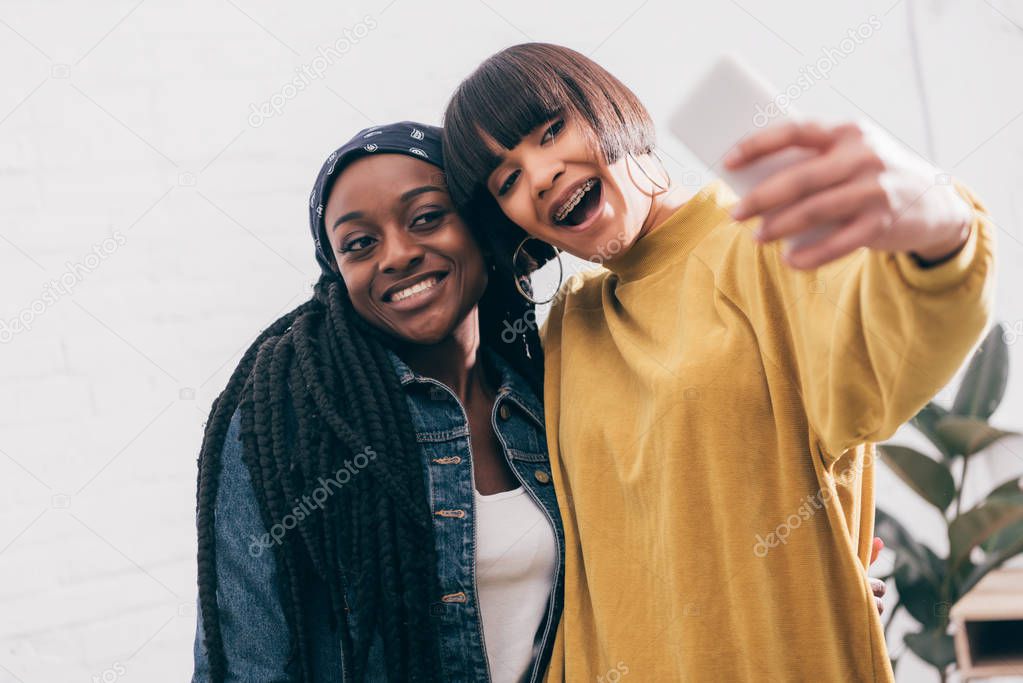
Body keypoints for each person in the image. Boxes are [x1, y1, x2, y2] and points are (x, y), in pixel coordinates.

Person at [441, 43, 994, 681]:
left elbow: (899, 337)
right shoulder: (571, 323)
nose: (539, 176)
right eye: (507, 180)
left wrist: (937, 225)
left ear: (608, 105)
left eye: (551, 130)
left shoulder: (763, 242)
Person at [191, 122, 564, 683]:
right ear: (337, 275)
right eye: (359, 243)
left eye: (426, 217)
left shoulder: (545, 394)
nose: (397, 255)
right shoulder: (288, 430)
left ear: (482, 227)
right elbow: (247, 663)